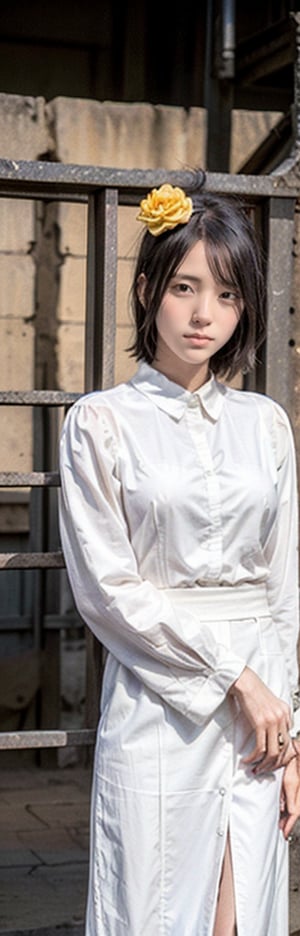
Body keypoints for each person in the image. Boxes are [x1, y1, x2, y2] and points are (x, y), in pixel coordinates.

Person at [58, 179, 300, 936]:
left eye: (227, 296)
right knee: (154, 907)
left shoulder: (266, 425)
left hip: (264, 715)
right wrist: (233, 678)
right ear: (145, 290)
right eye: (185, 287)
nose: (205, 315)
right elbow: (108, 590)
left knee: (244, 913)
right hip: (165, 701)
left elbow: (284, 585)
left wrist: (292, 730)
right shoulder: (99, 424)